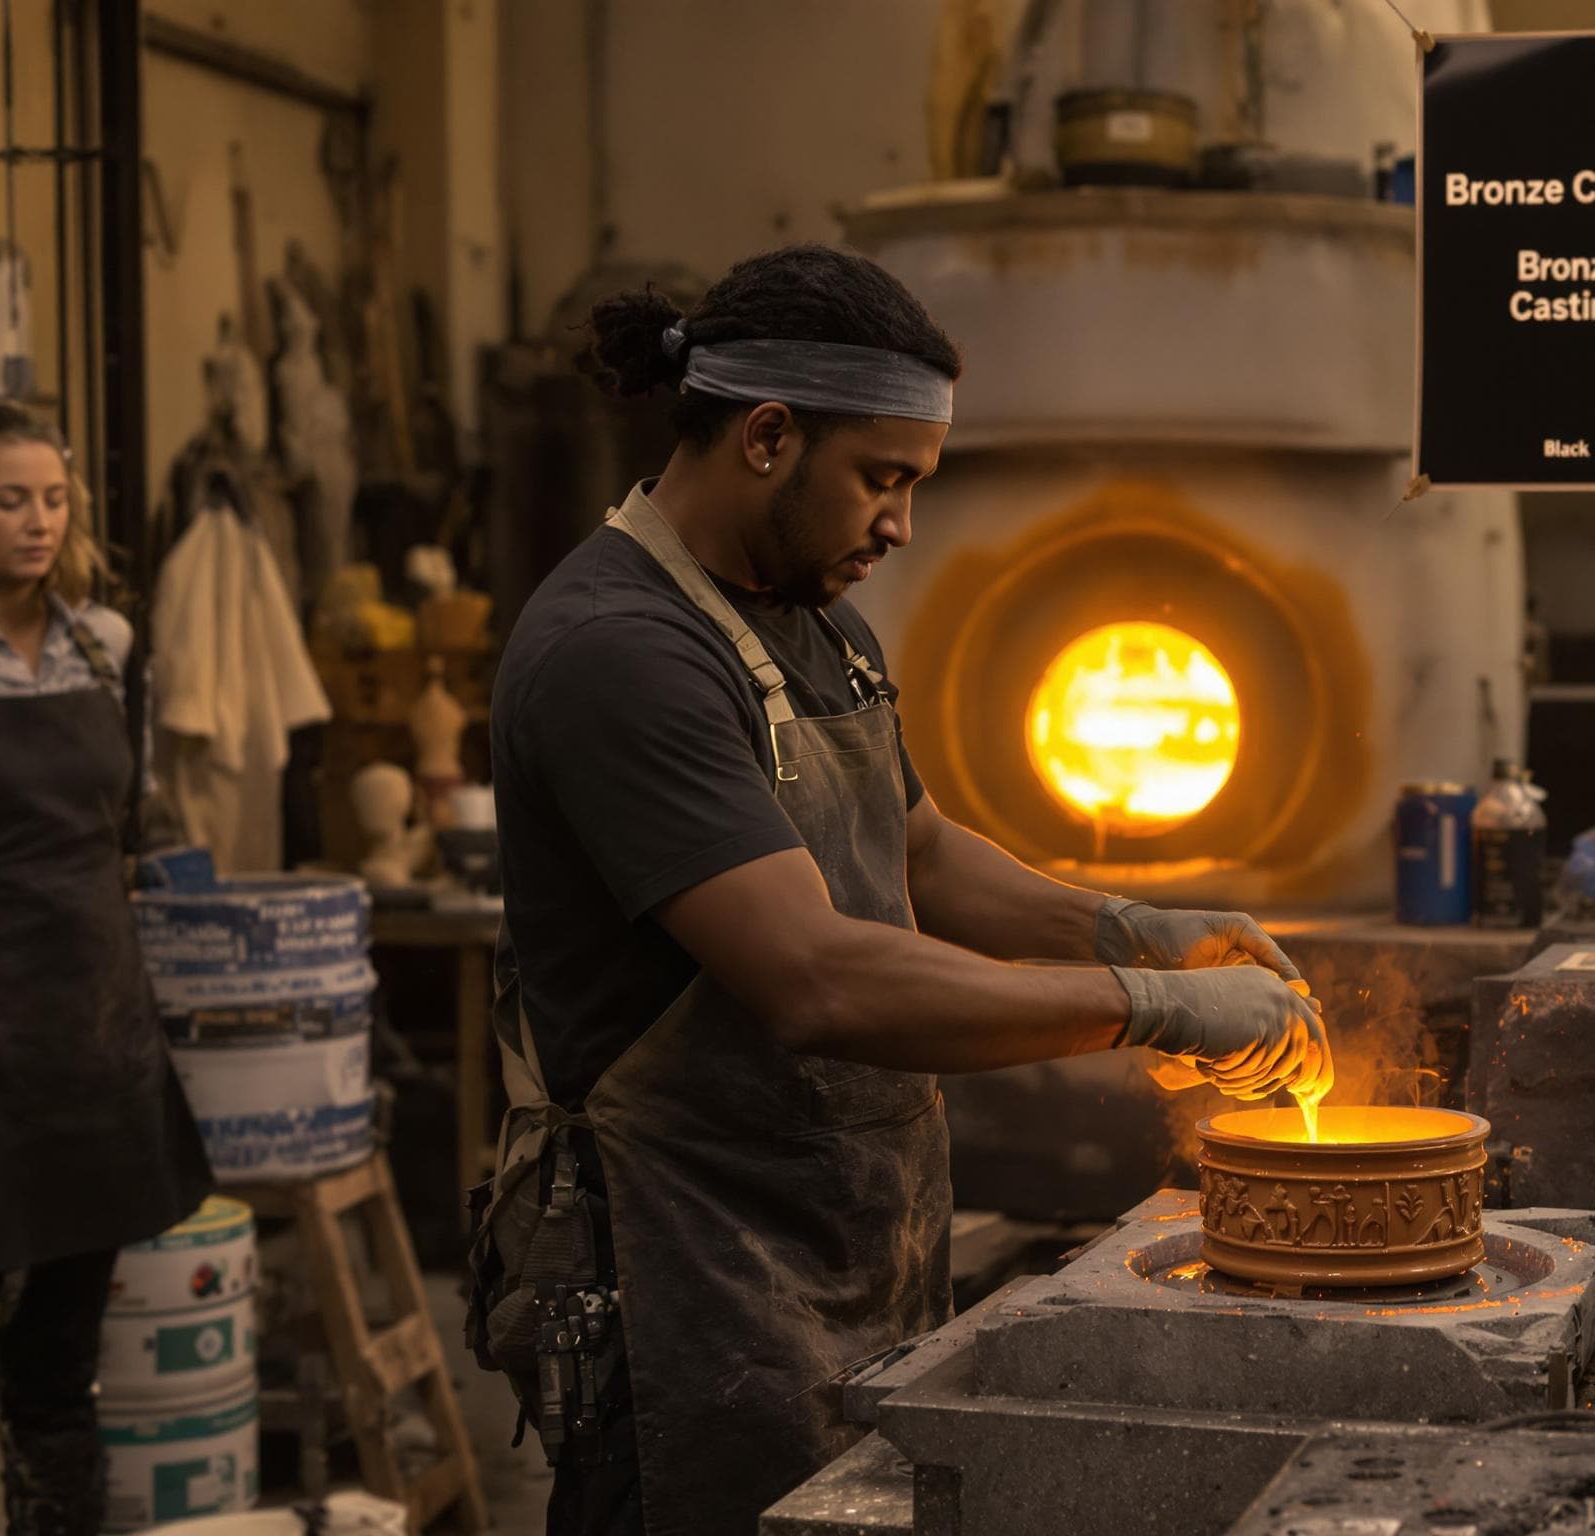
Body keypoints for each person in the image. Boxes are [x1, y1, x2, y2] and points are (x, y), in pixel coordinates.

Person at [470, 245, 1333, 1536]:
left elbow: (918, 852)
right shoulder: (622, 654)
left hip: (841, 1245)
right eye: (885, 479)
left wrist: (1129, 921)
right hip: (684, 1286)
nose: (901, 524)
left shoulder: (812, 616)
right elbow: (813, 975)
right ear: (767, 436)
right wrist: (1147, 1007)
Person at [0, 401, 214, 1536]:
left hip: (95, 1028)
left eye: (53, 498)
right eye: (7, 499)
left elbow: (130, 830)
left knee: (62, 1350)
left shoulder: (103, 643)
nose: (36, 522)